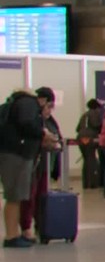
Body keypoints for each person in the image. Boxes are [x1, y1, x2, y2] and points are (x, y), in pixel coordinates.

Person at [0, 87, 56, 248]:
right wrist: (43, 133)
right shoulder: (28, 103)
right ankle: (11, 236)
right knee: (14, 196)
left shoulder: (15, 103)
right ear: (43, 100)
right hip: (17, 155)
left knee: (15, 196)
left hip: (13, 154)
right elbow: (26, 123)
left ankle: (14, 234)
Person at [20, 100, 63, 241]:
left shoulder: (50, 122)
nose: (49, 110)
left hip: (44, 164)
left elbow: (58, 139)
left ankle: (43, 226)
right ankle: (26, 227)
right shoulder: (34, 121)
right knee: (30, 196)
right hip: (33, 163)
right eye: (48, 107)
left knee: (41, 197)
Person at [76, 99, 103, 190]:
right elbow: (98, 125)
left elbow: (78, 128)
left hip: (80, 138)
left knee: (86, 159)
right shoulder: (95, 113)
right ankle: (93, 183)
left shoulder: (84, 115)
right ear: (97, 107)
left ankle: (86, 182)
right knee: (91, 159)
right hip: (90, 138)